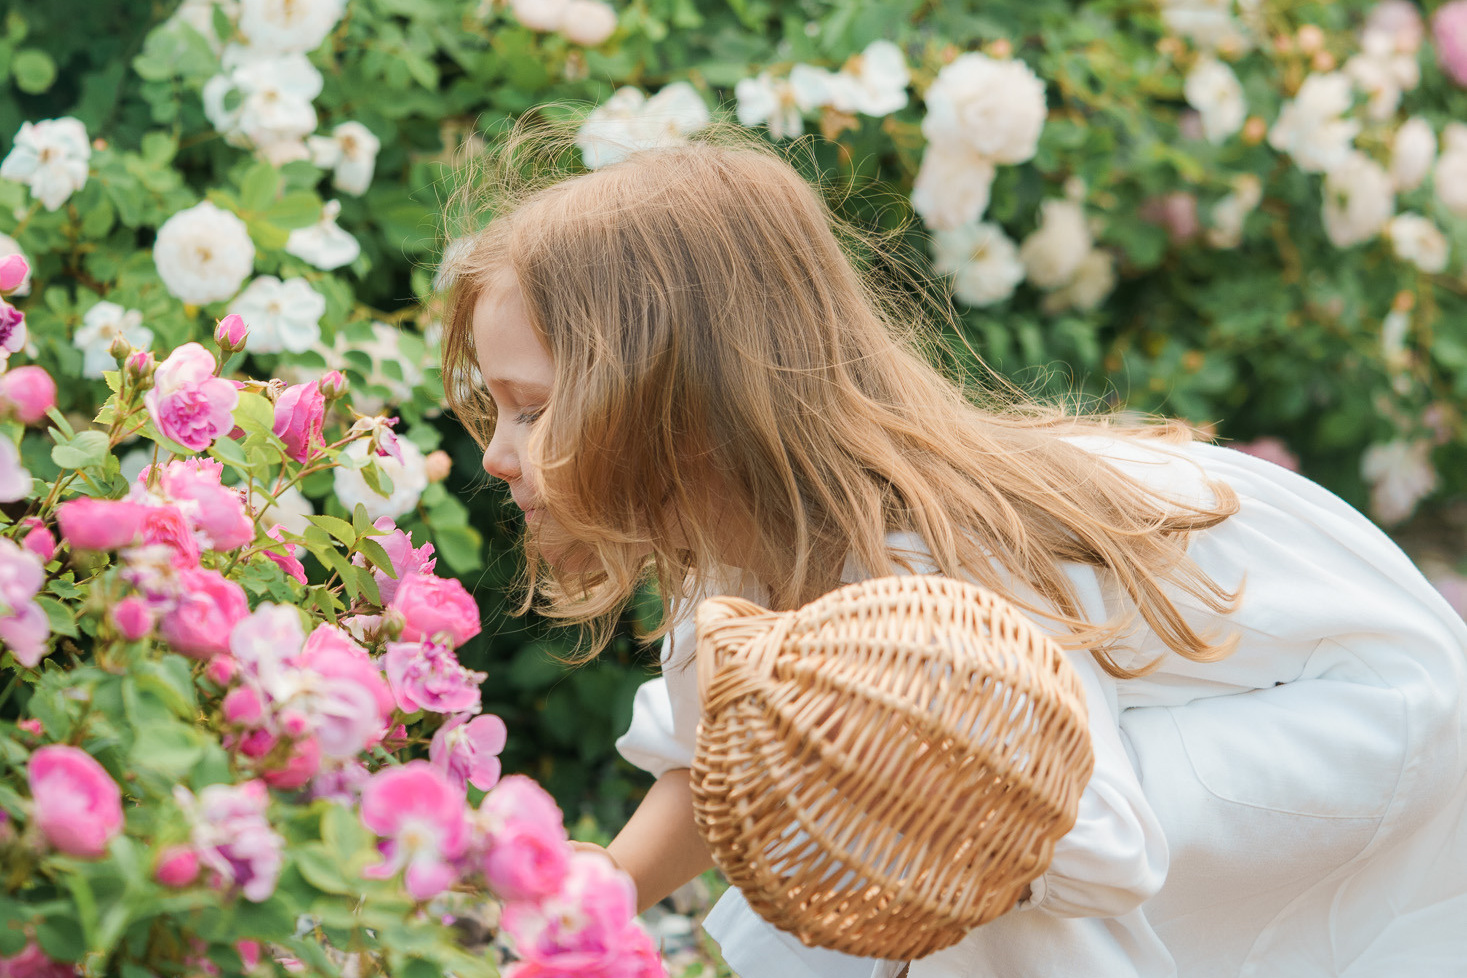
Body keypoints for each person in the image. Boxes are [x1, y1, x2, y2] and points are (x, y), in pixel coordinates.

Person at [438, 123, 1467, 978]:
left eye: (532, 411)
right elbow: (718, 743)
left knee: (970, 836)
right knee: (897, 806)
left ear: (681, 405)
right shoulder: (746, 531)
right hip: (1189, 714)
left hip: (1356, 707)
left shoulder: (926, 569)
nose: (498, 453)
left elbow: (1093, 842)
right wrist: (606, 890)